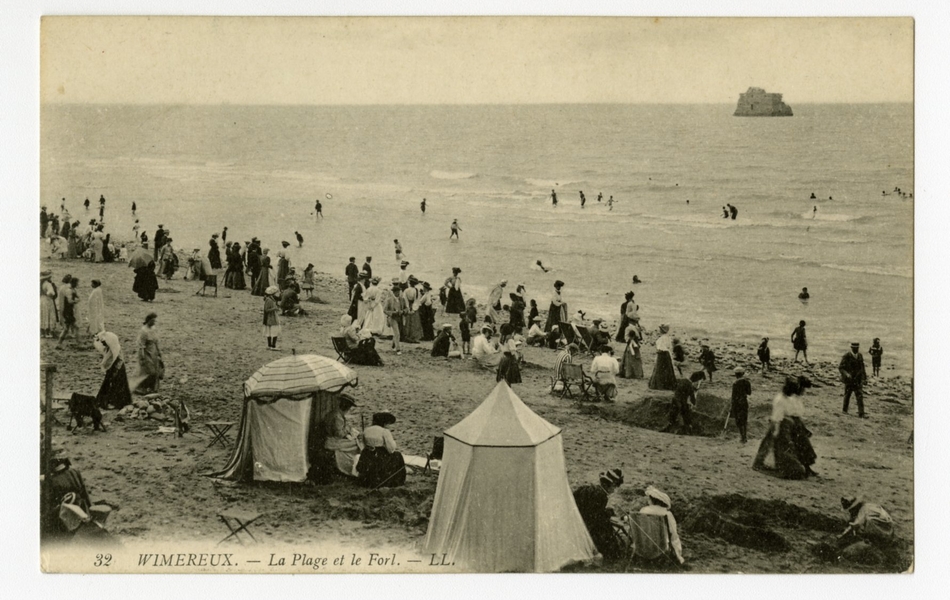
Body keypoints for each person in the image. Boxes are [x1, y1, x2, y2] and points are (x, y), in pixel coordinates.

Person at [752, 376, 817, 479]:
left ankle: (805, 467)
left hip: (791, 423)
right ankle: (765, 464)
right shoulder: (781, 399)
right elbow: (777, 417)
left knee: (800, 445)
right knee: (776, 445)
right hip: (781, 424)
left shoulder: (791, 397)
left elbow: (795, 413)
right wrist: (776, 430)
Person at [572, 468, 627, 560]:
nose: (614, 490)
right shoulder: (602, 495)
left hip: (579, 522)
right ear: (610, 485)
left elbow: (591, 510)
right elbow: (597, 517)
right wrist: (607, 513)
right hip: (591, 527)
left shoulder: (590, 489)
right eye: (614, 486)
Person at [357, 412, 406, 488]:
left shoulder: (366, 430)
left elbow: (362, 444)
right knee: (397, 455)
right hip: (380, 456)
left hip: (367, 454)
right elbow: (391, 449)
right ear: (384, 423)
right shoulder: (384, 431)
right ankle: (396, 481)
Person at [639, 486, 686, 564]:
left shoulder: (643, 510)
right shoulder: (667, 514)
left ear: (652, 500)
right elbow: (673, 533)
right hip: (661, 546)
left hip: (644, 545)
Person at [92, 331, 132, 410]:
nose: (103, 344)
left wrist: (116, 370)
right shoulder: (109, 348)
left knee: (117, 384)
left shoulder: (115, 349)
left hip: (118, 367)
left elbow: (119, 360)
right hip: (112, 367)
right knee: (109, 383)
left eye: (104, 342)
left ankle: (115, 402)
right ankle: (107, 401)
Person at [323, 395, 361, 478]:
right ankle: (351, 466)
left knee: (355, 442)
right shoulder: (338, 417)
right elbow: (339, 433)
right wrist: (348, 431)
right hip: (333, 441)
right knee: (356, 443)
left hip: (330, 438)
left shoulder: (334, 413)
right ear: (346, 407)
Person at [132, 313, 163, 394]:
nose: (154, 322)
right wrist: (142, 357)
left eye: (155, 321)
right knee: (149, 371)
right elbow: (141, 345)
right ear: (148, 320)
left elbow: (156, 342)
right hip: (147, 353)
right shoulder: (143, 331)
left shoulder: (153, 328)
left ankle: (151, 388)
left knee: (156, 371)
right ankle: (141, 387)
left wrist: (159, 352)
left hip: (154, 353)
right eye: (152, 321)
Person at [839, 342, 868, 418]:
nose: (856, 350)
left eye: (857, 348)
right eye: (855, 348)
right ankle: (844, 410)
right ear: (852, 348)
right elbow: (841, 367)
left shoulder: (860, 356)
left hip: (858, 380)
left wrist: (864, 378)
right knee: (847, 395)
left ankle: (861, 413)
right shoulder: (846, 356)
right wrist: (846, 374)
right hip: (849, 380)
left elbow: (862, 368)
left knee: (859, 396)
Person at [648, 324, 677, 390]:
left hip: (661, 354)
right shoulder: (668, 338)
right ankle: (668, 385)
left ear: (661, 330)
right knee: (667, 370)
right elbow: (669, 347)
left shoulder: (661, 339)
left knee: (659, 369)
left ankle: (659, 385)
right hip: (667, 354)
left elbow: (659, 348)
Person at [55, 277, 81, 348]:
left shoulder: (71, 290)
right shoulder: (69, 291)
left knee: (68, 328)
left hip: (69, 311)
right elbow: (70, 301)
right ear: (74, 283)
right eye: (77, 283)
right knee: (72, 327)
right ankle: (78, 343)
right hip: (68, 311)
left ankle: (59, 344)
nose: (78, 284)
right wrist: (76, 301)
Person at [383, 282, 406, 355]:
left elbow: (406, 309)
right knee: (397, 333)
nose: (398, 293)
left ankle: (393, 343)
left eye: (399, 292)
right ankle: (398, 349)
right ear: (393, 292)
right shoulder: (389, 300)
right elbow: (385, 310)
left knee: (397, 332)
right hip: (392, 318)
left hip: (400, 318)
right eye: (396, 292)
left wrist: (402, 311)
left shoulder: (402, 299)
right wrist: (393, 312)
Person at [730, 368, 752, 443]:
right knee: (744, 419)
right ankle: (744, 437)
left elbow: (733, 396)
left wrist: (732, 405)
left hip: (737, 403)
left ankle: (742, 436)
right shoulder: (747, 382)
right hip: (744, 402)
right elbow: (749, 393)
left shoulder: (735, 383)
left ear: (736, 374)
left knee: (738, 420)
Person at [40, 271, 59, 338]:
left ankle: (42, 332)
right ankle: (49, 332)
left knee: (43, 315)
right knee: (49, 315)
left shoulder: (40, 283)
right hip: (47, 300)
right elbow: (51, 292)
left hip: (41, 300)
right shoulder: (48, 284)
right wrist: (49, 295)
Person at [262, 286, 281, 350]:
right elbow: (266, 310)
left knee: (269, 332)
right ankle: (273, 345)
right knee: (274, 331)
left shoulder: (270, 299)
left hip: (271, 317)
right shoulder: (269, 300)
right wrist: (274, 308)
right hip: (271, 317)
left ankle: (270, 345)